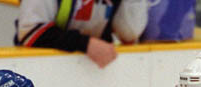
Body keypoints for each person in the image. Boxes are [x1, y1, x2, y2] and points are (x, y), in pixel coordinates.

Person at [15, 0, 148, 69]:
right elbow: (31, 34)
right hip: (42, 73)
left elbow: (129, 33)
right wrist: (85, 44)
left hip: (93, 75)